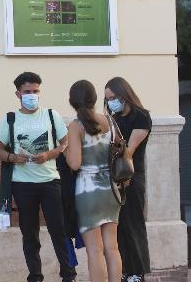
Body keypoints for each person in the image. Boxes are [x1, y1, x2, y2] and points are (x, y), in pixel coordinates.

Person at [0, 72, 77, 282]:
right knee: (29, 234)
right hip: (22, 185)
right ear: (18, 94)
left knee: (59, 230)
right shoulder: (10, 119)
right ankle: (35, 276)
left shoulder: (51, 115)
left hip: (50, 182)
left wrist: (49, 154)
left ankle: (69, 275)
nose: (32, 95)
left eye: (36, 91)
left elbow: (64, 143)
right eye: (27, 92)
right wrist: (13, 157)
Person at [66, 80, 122, 282]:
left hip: (88, 192)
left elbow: (74, 163)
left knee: (95, 250)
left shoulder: (76, 126)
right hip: (111, 189)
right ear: (95, 99)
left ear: (72, 101)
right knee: (112, 247)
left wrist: (65, 152)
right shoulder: (110, 121)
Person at [104, 77, 152, 282]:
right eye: (108, 99)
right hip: (113, 178)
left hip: (131, 177)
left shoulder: (141, 117)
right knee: (119, 227)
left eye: (114, 97)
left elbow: (129, 151)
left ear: (124, 94)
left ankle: (137, 272)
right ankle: (123, 271)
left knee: (133, 225)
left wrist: (124, 177)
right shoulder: (112, 118)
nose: (111, 102)